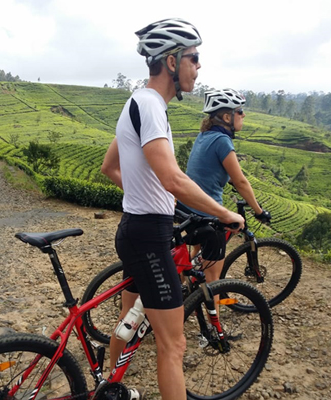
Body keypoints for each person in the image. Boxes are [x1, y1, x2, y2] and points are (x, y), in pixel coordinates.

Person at [101, 20, 245, 400]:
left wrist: (151, 198)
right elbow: (173, 178)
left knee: (129, 320)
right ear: (171, 61)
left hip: (134, 228)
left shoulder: (135, 101)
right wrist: (225, 213)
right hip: (149, 235)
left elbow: (110, 168)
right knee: (174, 345)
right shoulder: (151, 106)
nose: (198, 67)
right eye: (193, 58)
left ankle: (108, 386)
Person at [176, 88, 271, 310]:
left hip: (187, 207)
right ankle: (215, 329)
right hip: (207, 213)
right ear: (227, 117)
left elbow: (209, 170)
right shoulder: (222, 141)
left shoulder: (204, 136)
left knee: (194, 256)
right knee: (214, 280)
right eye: (240, 111)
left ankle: (185, 288)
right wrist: (258, 210)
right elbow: (240, 182)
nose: (244, 115)